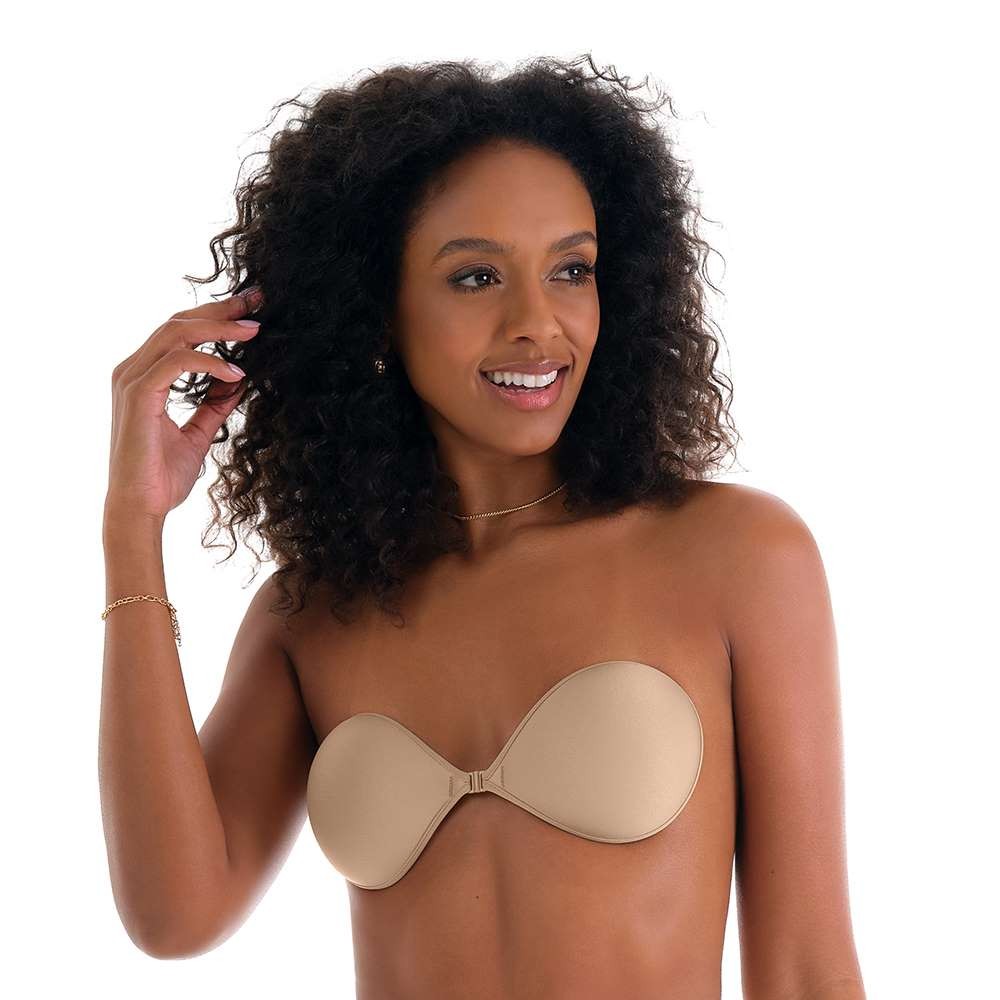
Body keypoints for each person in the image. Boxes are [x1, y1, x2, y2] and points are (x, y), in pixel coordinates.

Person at [99, 54, 866, 999]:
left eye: (572, 269)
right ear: (376, 312)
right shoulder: (315, 615)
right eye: (475, 277)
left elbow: (807, 971)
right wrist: (131, 530)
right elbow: (173, 917)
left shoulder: (736, 556)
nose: (539, 323)